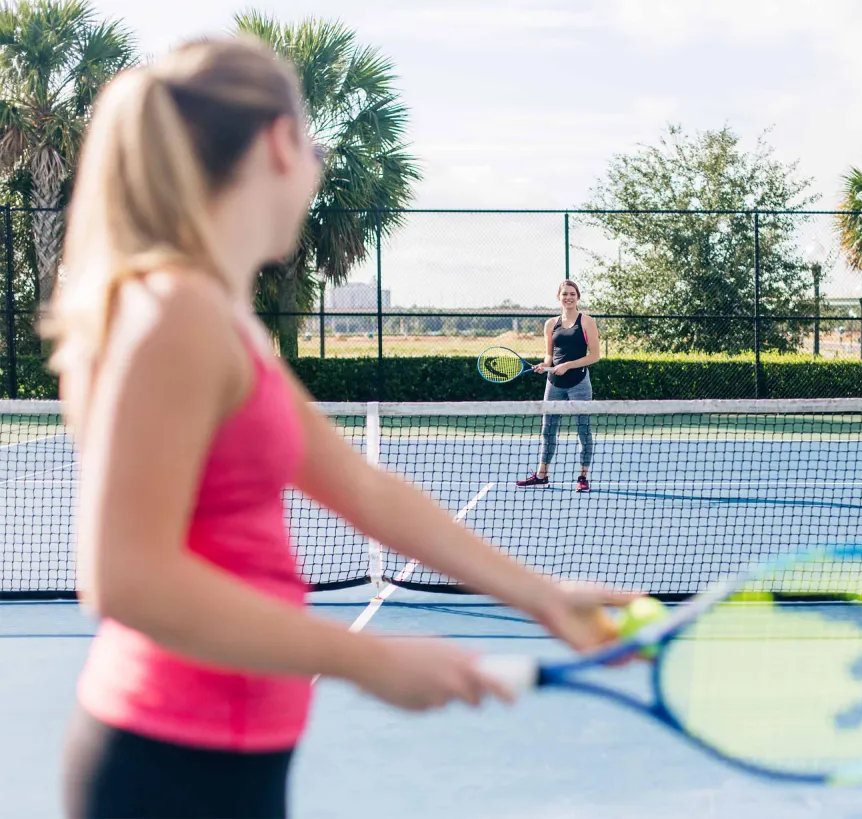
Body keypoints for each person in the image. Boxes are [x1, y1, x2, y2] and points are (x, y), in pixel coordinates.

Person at [44, 37, 629, 819]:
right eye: (314, 145)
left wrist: (541, 594)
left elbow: (360, 486)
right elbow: (124, 577)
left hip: (233, 750)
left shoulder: (221, 320)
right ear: (283, 144)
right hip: (170, 760)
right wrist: (366, 658)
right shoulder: (175, 313)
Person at [516, 280, 601, 493]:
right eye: (565, 294)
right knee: (548, 430)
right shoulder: (550, 324)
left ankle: (582, 477)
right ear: (559, 297)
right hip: (553, 384)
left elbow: (595, 356)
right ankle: (542, 475)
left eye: (572, 294)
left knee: (583, 430)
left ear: (578, 297)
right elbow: (549, 355)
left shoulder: (587, 322)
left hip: (579, 382)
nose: (568, 297)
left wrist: (568, 365)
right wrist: (544, 365)